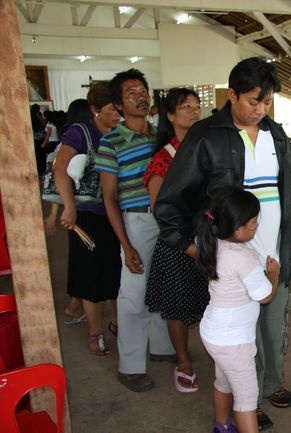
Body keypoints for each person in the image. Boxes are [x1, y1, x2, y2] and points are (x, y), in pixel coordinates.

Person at [154, 57, 291, 430]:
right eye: (253, 101)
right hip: (232, 261)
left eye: (267, 102)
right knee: (241, 333)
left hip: (274, 253)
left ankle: (270, 384)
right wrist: (194, 247)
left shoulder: (275, 135)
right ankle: (249, 398)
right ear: (232, 95)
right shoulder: (207, 135)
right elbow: (170, 202)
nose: (260, 110)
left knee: (273, 325)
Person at [95, 69, 175, 392]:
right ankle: (130, 366)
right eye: (131, 93)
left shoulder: (162, 138)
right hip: (136, 220)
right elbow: (110, 198)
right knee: (134, 294)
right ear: (117, 104)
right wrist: (126, 245)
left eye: (143, 90)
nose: (140, 96)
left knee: (163, 283)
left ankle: (162, 346)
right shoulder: (111, 143)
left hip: (165, 219)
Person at [195, 187, 280, 433]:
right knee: (246, 399)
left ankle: (221, 425)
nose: (256, 227)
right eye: (253, 223)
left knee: (223, 381)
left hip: (214, 331)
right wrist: (273, 274)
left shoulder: (211, 242)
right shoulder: (243, 258)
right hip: (233, 341)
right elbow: (265, 296)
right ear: (237, 228)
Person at [144, 88, 209, 392]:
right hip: (178, 242)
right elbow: (160, 208)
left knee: (215, 300)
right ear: (169, 116)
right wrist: (187, 240)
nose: (194, 112)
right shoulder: (164, 158)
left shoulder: (206, 148)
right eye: (185, 107)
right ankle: (183, 360)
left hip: (208, 237)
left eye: (197, 107)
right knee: (177, 305)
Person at [53, 91, 122, 356]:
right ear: (95, 109)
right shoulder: (80, 133)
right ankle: (95, 332)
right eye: (111, 109)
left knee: (118, 273)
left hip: (117, 212)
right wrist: (69, 207)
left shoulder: (123, 132)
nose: (117, 114)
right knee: (91, 276)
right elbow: (60, 169)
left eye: (119, 109)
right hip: (89, 215)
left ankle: (118, 323)